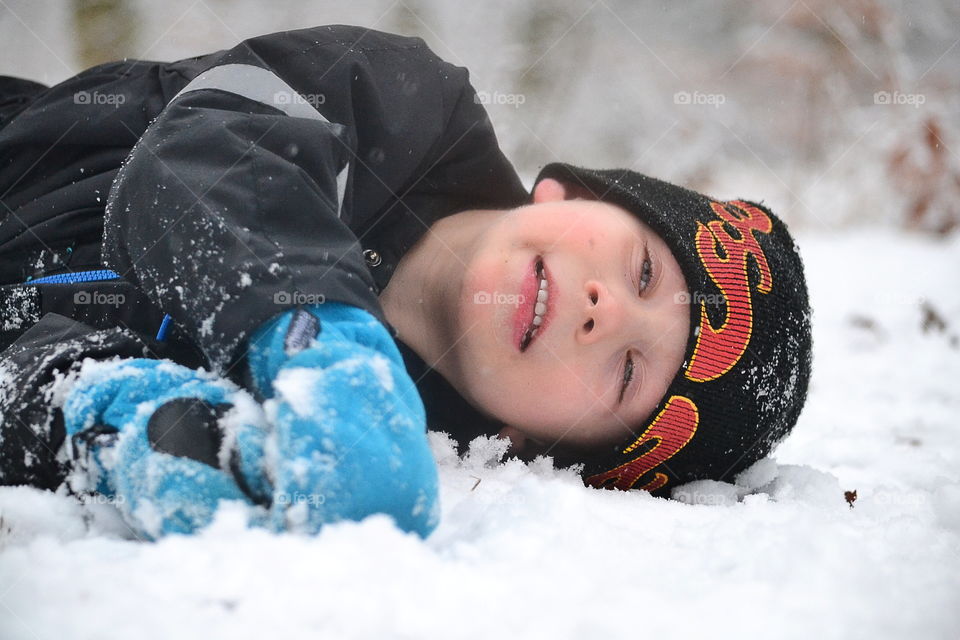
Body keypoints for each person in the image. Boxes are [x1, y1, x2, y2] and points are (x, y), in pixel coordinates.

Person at [0, 25, 812, 540]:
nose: (606, 310)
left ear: (547, 447)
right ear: (571, 191)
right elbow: (209, 154)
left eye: (629, 370)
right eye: (641, 268)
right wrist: (320, 335)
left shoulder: (383, 449)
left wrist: (139, 424)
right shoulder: (407, 106)